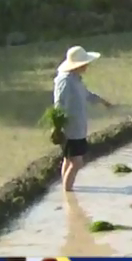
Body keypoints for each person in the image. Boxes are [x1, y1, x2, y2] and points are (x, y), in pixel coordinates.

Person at [53, 46, 114, 192]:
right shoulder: (65, 81)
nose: (87, 66)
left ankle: (66, 187)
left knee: (69, 160)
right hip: (71, 129)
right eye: (85, 63)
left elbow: (86, 94)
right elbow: (59, 104)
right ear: (78, 65)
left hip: (78, 127)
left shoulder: (75, 79)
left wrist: (102, 101)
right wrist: (57, 127)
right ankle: (68, 193)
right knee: (77, 163)